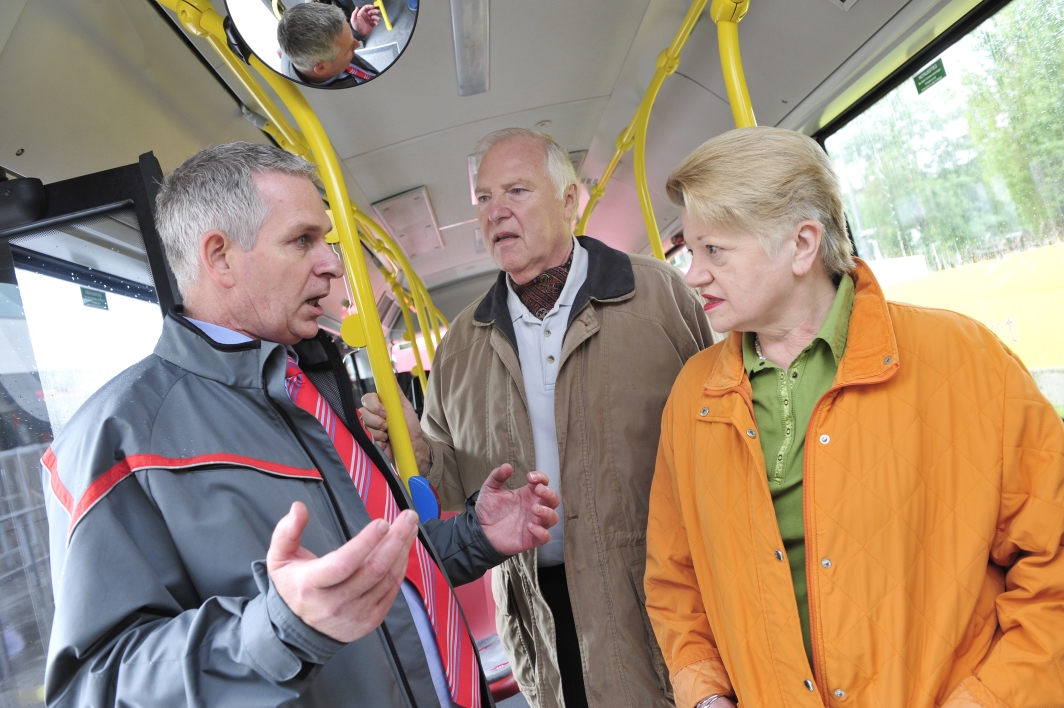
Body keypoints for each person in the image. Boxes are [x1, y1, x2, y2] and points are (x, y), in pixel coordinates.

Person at [41, 141, 560, 707]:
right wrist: (279, 631)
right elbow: (93, 687)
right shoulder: (119, 437)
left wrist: (475, 535)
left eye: (328, 241)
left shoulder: (315, 390)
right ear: (220, 257)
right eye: (302, 240)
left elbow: (377, 571)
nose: (333, 264)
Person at [644, 126, 1064, 708]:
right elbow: (674, 581)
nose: (692, 274)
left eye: (714, 250)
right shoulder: (692, 396)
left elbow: (1053, 567)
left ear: (802, 245)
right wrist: (705, 695)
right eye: (689, 251)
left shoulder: (966, 359)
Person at [361, 128, 714, 708]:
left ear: (569, 200)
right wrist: (416, 450)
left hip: (655, 588)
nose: (494, 212)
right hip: (537, 607)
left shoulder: (657, 296)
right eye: (482, 199)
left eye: (516, 191)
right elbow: (450, 485)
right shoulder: (461, 345)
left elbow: (719, 429)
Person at [277, 2, 379, 87]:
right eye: (349, 49)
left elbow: (339, 43)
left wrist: (356, 32)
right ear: (322, 68)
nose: (357, 45)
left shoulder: (295, 50)